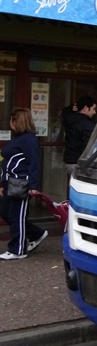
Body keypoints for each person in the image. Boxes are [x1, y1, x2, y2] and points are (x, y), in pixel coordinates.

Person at [0, 107, 47, 260]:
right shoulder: (18, 138)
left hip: (21, 182)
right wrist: (2, 183)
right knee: (6, 212)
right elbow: (8, 162)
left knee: (17, 215)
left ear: (15, 122)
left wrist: (33, 186)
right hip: (10, 181)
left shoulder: (29, 140)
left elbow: (34, 163)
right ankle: (36, 233)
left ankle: (17, 250)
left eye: (11, 121)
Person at [62, 95, 97, 177]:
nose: (94, 112)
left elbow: (65, 113)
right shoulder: (87, 124)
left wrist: (70, 108)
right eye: (93, 109)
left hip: (69, 160)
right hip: (80, 162)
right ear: (86, 108)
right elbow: (88, 145)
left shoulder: (70, 119)